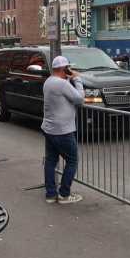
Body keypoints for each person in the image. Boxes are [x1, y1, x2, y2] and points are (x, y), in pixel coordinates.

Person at [41, 56, 85, 204]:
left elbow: (62, 94)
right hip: (63, 130)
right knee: (72, 160)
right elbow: (79, 99)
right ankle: (64, 194)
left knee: (51, 161)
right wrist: (77, 80)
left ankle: (50, 194)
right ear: (64, 69)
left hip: (49, 128)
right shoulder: (62, 84)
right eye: (68, 68)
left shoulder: (49, 81)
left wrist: (68, 79)